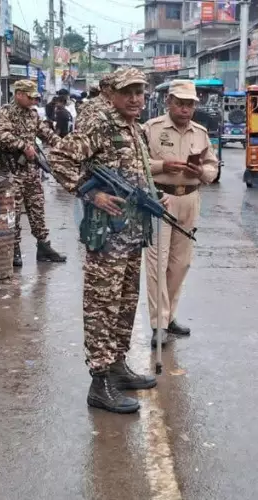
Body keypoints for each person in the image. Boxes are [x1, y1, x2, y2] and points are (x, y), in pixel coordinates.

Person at [43, 67, 172, 414]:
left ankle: (117, 366)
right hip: (107, 235)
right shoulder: (100, 123)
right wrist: (91, 194)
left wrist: (155, 195)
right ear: (111, 93)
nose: (135, 98)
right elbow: (58, 158)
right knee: (102, 306)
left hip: (132, 232)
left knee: (126, 302)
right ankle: (99, 383)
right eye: (127, 92)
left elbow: (134, 172)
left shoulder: (131, 127)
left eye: (140, 92)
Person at [142, 80, 218, 349]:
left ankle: (170, 315)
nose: (186, 109)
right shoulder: (150, 129)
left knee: (180, 263)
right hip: (160, 198)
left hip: (190, 198)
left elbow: (212, 165)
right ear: (169, 102)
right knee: (157, 263)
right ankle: (158, 324)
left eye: (190, 104)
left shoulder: (200, 132)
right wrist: (163, 164)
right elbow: (135, 164)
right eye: (180, 103)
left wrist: (204, 173)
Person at [0, 79, 67, 267]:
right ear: (18, 94)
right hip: (12, 172)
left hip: (31, 171)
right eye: (30, 97)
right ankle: (14, 249)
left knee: (37, 209)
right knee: (14, 212)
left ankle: (43, 246)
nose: (34, 101)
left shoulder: (33, 115)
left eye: (35, 97)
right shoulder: (6, 113)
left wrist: (66, 147)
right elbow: (2, 135)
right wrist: (23, 146)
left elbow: (47, 134)